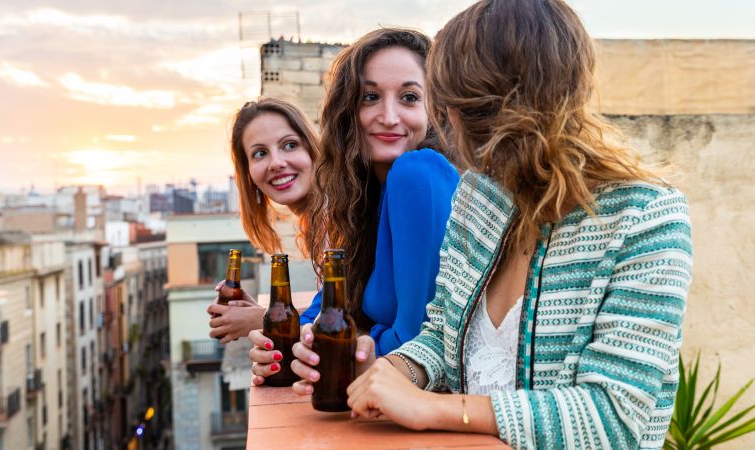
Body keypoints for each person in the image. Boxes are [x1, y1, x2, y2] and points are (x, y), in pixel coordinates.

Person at [302, 1, 692, 449]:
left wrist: (434, 407)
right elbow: (440, 337)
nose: (444, 121)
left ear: (491, 108)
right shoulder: (478, 197)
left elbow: (614, 418)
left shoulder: (645, 217)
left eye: (449, 103)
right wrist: (388, 371)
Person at [247, 28, 460, 384]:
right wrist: (288, 341)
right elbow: (336, 304)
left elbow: (415, 345)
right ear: (348, 110)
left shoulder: (417, 173)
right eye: (370, 97)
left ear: (433, 110)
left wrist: (346, 342)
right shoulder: (364, 200)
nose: (389, 116)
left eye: (409, 97)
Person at [207, 98, 320, 343]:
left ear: (312, 149)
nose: (277, 163)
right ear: (248, 174)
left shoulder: (337, 217)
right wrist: (263, 314)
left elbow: (349, 319)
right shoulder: (317, 221)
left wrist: (261, 320)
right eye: (260, 153)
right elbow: (328, 312)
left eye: (290, 145)